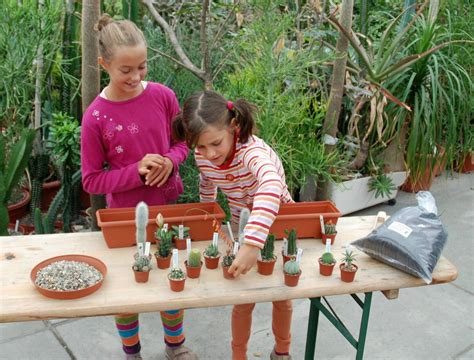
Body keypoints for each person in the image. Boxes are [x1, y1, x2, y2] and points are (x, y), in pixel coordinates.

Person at [80, 14, 197, 360]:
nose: (135, 77)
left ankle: (175, 347)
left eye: (142, 67)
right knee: (128, 290)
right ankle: (131, 352)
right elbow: (91, 180)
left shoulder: (162, 96)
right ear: (104, 64)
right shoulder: (95, 117)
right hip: (124, 219)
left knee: (170, 278)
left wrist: (170, 161)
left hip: (168, 207)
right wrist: (136, 171)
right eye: (125, 70)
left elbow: (183, 143)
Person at [172, 90, 294, 360]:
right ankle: (238, 355)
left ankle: (282, 351)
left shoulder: (252, 152)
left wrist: (253, 244)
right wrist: (209, 215)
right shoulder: (204, 156)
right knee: (243, 298)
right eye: (200, 147)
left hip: (278, 226)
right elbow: (207, 180)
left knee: (282, 296)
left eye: (215, 143)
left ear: (234, 127)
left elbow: (271, 184)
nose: (209, 153)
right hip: (243, 230)